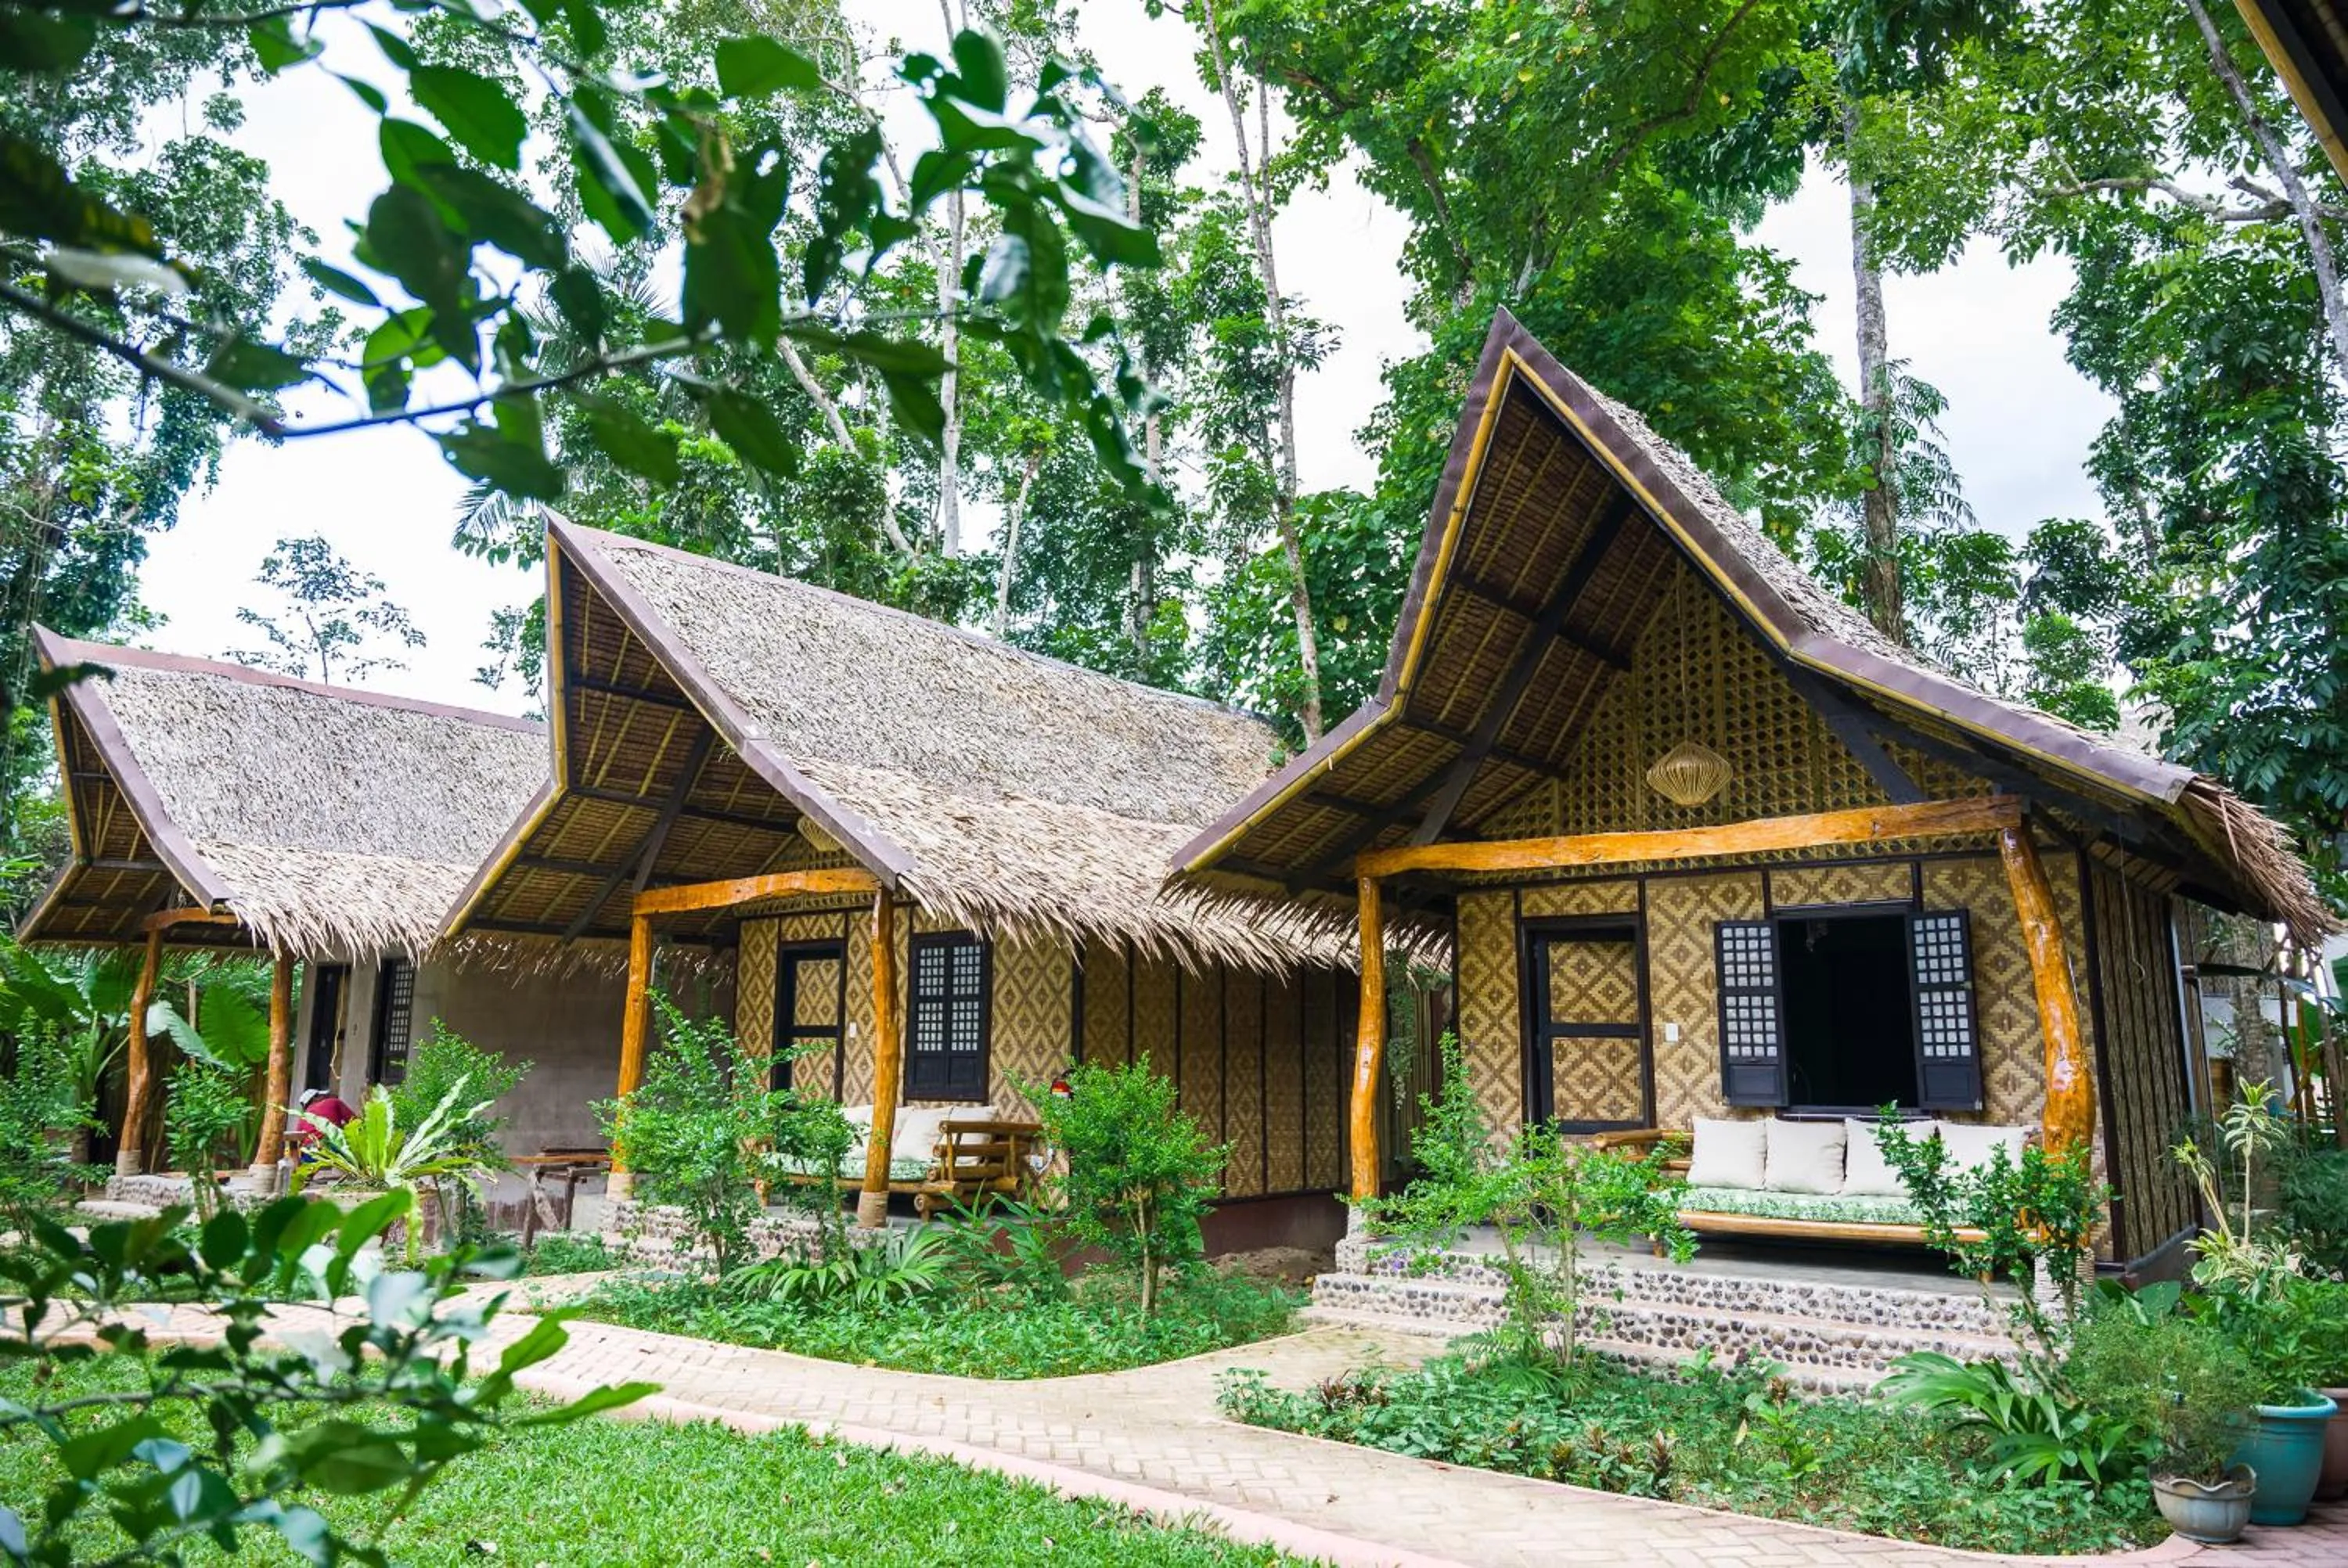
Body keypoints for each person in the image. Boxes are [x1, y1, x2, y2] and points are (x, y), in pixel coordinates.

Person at [290, 1088, 356, 1161]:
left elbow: (297, 1137)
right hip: (332, 1149)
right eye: (321, 1095)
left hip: (310, 1155)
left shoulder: (304, 1116)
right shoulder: (334, 1102)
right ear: (315, 1098)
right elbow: (355, 1121)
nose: (325, 1097)